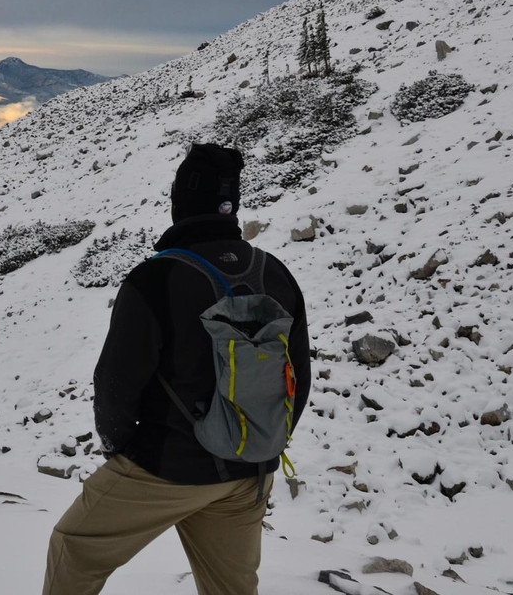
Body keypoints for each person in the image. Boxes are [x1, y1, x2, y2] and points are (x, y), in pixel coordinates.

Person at [42, 143, 311, 595]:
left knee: (75, 547)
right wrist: (263, 443)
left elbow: (115, 384)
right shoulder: (276, 273)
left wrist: (123, 450)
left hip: (168, 467)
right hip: (250, 472)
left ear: (181, 203)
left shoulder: (155, 278)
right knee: (231, 588)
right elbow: (298, 377)